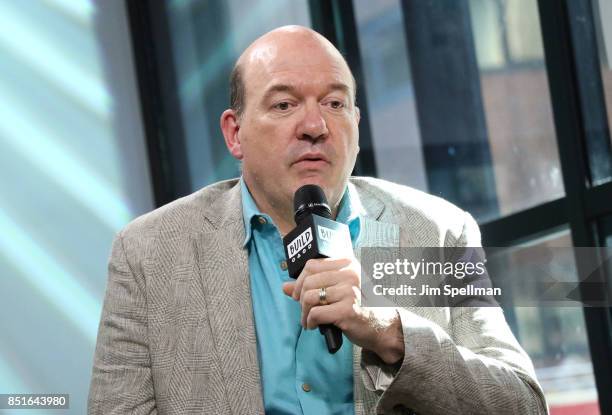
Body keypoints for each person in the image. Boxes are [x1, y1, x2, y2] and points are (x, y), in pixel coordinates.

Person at [88, 25, 547, 414]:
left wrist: (391, 333)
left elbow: (522, 403)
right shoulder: (149, 253)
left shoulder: (435, 230)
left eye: (334, 103)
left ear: (357, 123)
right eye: (284, 105)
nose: (315, 126)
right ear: (235, 133)